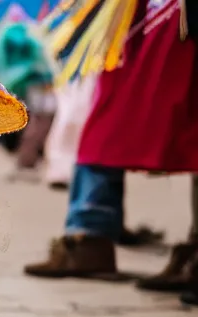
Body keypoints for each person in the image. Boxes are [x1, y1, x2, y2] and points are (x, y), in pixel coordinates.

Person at [24, 0, 198, 287]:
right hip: (136, 17)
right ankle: (88, 235)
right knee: (107, 120)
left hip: (170, 16)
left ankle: (92, 232)